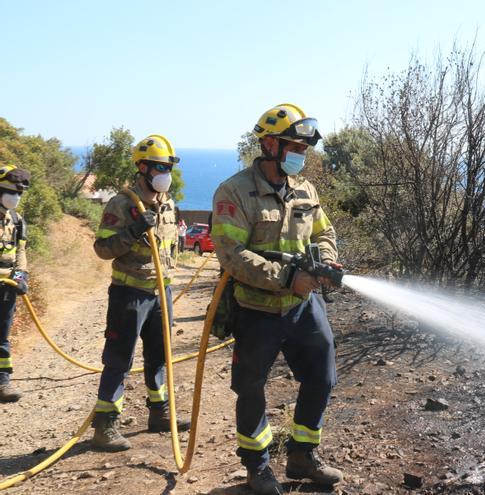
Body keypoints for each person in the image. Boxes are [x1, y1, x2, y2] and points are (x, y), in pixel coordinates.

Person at [211, 103, 343, 493]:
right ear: (270, 145)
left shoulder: (305, 189)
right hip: (257, 310)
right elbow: (232, 256)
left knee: (322, 376)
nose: (302, 155)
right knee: (251, 387)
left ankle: (303, 456)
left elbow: (324, 231)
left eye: (305, 148)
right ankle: (257, 466)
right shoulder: (234, 192)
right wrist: (288, 278)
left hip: (304, 308)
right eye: (295, 147)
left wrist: (327, 260)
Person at [91, 134, 189, 451]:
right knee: (119, 359)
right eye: (161, 167)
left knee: (159, 357)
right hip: (129, 294)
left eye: (169, 167)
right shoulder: (122, 204)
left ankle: (159, 414)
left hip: (161, 292)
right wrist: (132, 231)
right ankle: (105, 426)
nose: (166, 174)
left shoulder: (168, 204)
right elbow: (103, 249)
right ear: (143, 168)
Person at [0, 164, 30, 403]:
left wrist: (21, 276)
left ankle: (2, 383)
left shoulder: (17, 220)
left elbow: (21, 252)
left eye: (19, 193)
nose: (15, 197)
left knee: (2, 336)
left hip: (7, 287)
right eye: (11, 192)